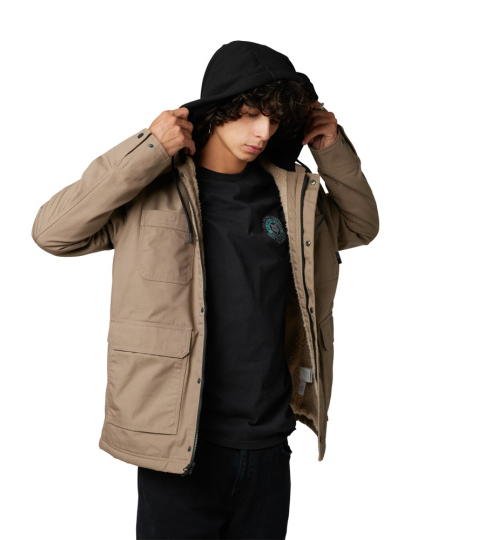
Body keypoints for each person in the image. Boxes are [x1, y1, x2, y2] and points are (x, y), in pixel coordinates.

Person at [32, 40, 379, 539]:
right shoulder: (150, 189)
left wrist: (332, 149)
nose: (263, 132)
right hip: (181, 449)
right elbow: (53, 233)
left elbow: (360, 226)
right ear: (217, 112)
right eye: (251, 114)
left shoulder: (290, 193)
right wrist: (149, 148)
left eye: (275, 120)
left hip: (267, 446)